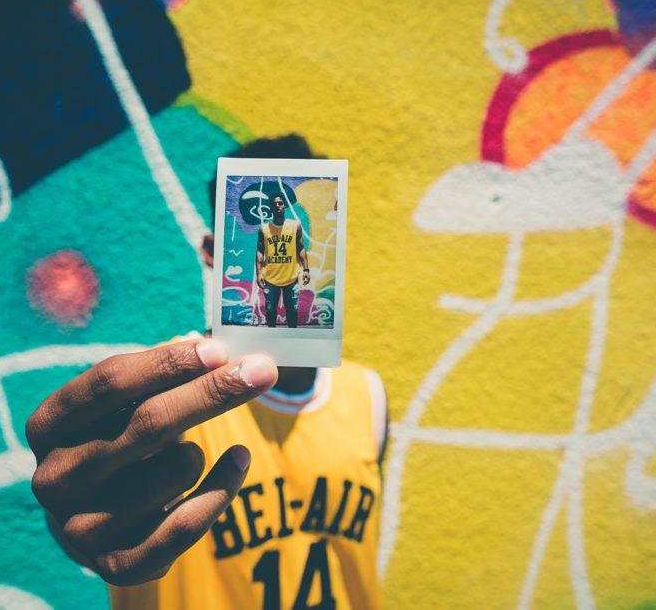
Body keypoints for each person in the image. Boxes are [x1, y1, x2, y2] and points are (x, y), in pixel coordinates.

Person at [27, 135, 386, 609]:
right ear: (214, 252)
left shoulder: (367, 395)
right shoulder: (153, 396)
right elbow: (93, 511)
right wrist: (76, 521)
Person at [256, 192, 310, 328]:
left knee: (292, 310)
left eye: (280, 203)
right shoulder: (264, 229)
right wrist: (259, 273)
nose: (278, 206)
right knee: (270, 310)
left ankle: (293, 335)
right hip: (270, 277)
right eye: (275, 204)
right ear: (271, 208)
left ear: (284, 206)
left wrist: (306, 269)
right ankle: (271, 336)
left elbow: (301, 248)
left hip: (291, 277)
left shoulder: (295, 226)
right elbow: (260, 252)